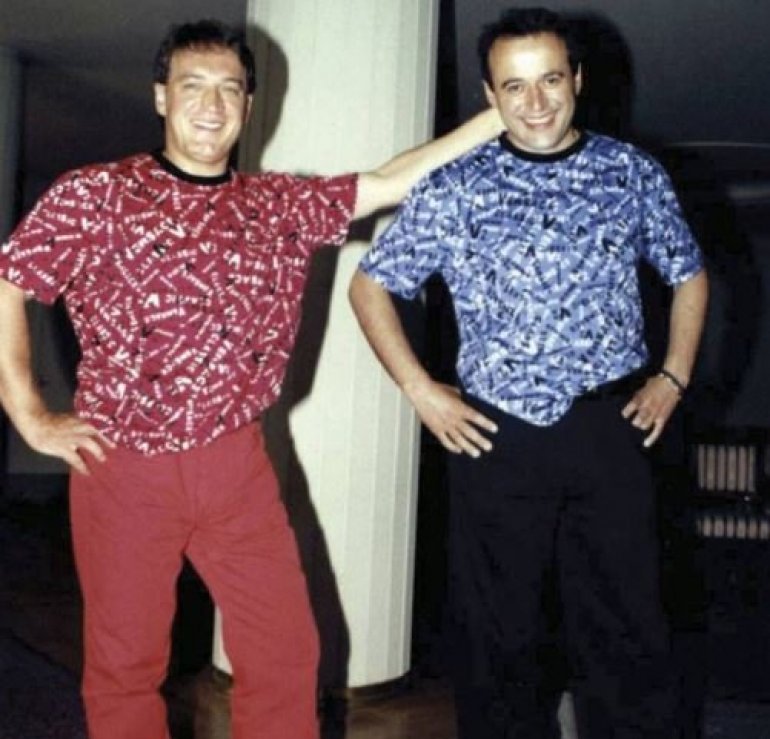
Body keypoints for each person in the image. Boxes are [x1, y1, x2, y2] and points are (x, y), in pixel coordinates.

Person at [0, 19, 502, 739]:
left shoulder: (278, 205)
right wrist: (29, 412)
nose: (211, 105)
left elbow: (392, 179)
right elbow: (10, 282)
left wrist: (501, 113)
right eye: (192, 86)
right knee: (126, 663)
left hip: (235, 464)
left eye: (229, 89)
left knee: (285, 653)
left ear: (248, 103)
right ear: (161, 97)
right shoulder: (96, 193)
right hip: (122, 463)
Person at [349, 6, 708, 739]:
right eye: (514, 86)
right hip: (496, 437)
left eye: (550, 79)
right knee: (497, 640)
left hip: (610, 429)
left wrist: (672, 375)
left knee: (628, 630)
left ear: (577, 79)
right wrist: (420, 389)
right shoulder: (454, 186)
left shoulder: (630, 172)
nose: (535, 101)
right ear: (490, 96)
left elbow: (688, 272)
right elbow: (370, 285)